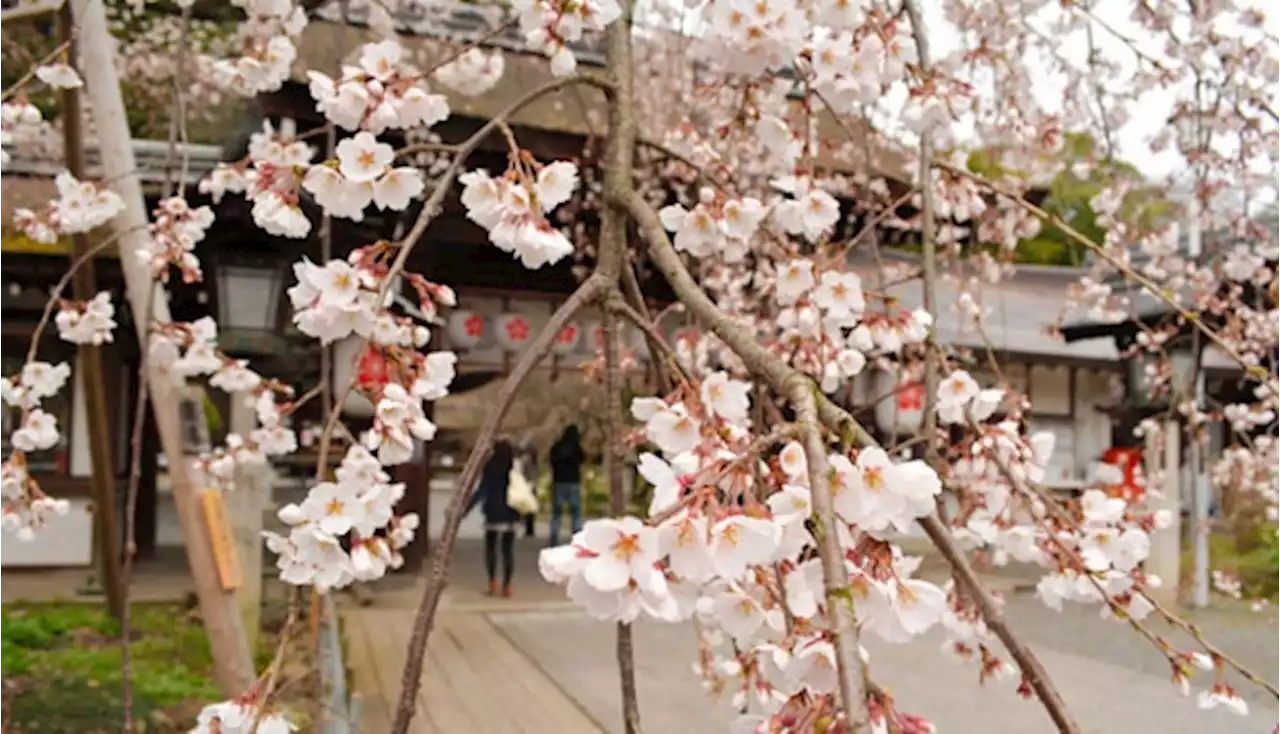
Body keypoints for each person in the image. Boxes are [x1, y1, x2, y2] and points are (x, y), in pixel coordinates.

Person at [464, 439, 520, 597]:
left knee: (491, 548)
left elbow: (482, 490)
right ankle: (507, 585)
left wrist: (465, 509)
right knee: (508, 551)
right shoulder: (514, 467)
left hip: (493, 512)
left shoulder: (490, 467)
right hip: (510, 511)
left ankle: (492, 582)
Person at [547, 424, 584, 547]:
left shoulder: (557, 447)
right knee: (576, 513)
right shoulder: (577, 448)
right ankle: (577, 537)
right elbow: (583, 459)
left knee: (557, 512)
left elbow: (551, 461)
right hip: (573, 482)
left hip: (559, 481)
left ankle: (553, 537)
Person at [517, 434, 539, 538]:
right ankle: (530, 529)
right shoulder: (534, 460)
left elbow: (521, 472)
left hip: (526, 484)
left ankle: (527, 528)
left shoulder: (525, 460)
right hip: (533, 484)